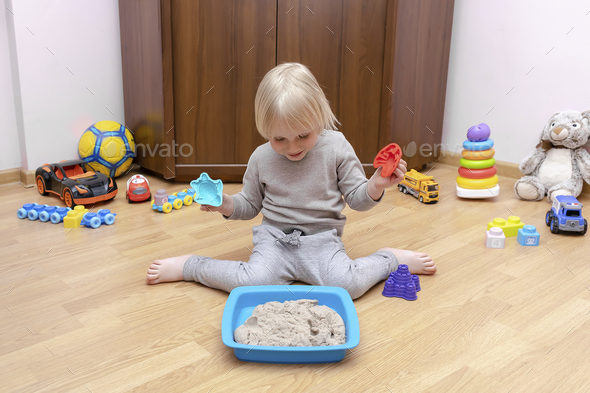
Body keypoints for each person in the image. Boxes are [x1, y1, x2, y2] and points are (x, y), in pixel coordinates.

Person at [146, 62, 436, 299]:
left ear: (319, 117)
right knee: (251, 285)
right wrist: (225, 204)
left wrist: (375, 184)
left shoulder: (336, 147)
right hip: (275, 242)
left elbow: (358, 200)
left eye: (303, 135)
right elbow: (249, 205)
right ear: (265, 130)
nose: (292, 147)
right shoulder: (261, 158)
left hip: (323, 241)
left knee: (349, 286)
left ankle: (389, 260)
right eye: (279, 138)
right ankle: (192, 267)